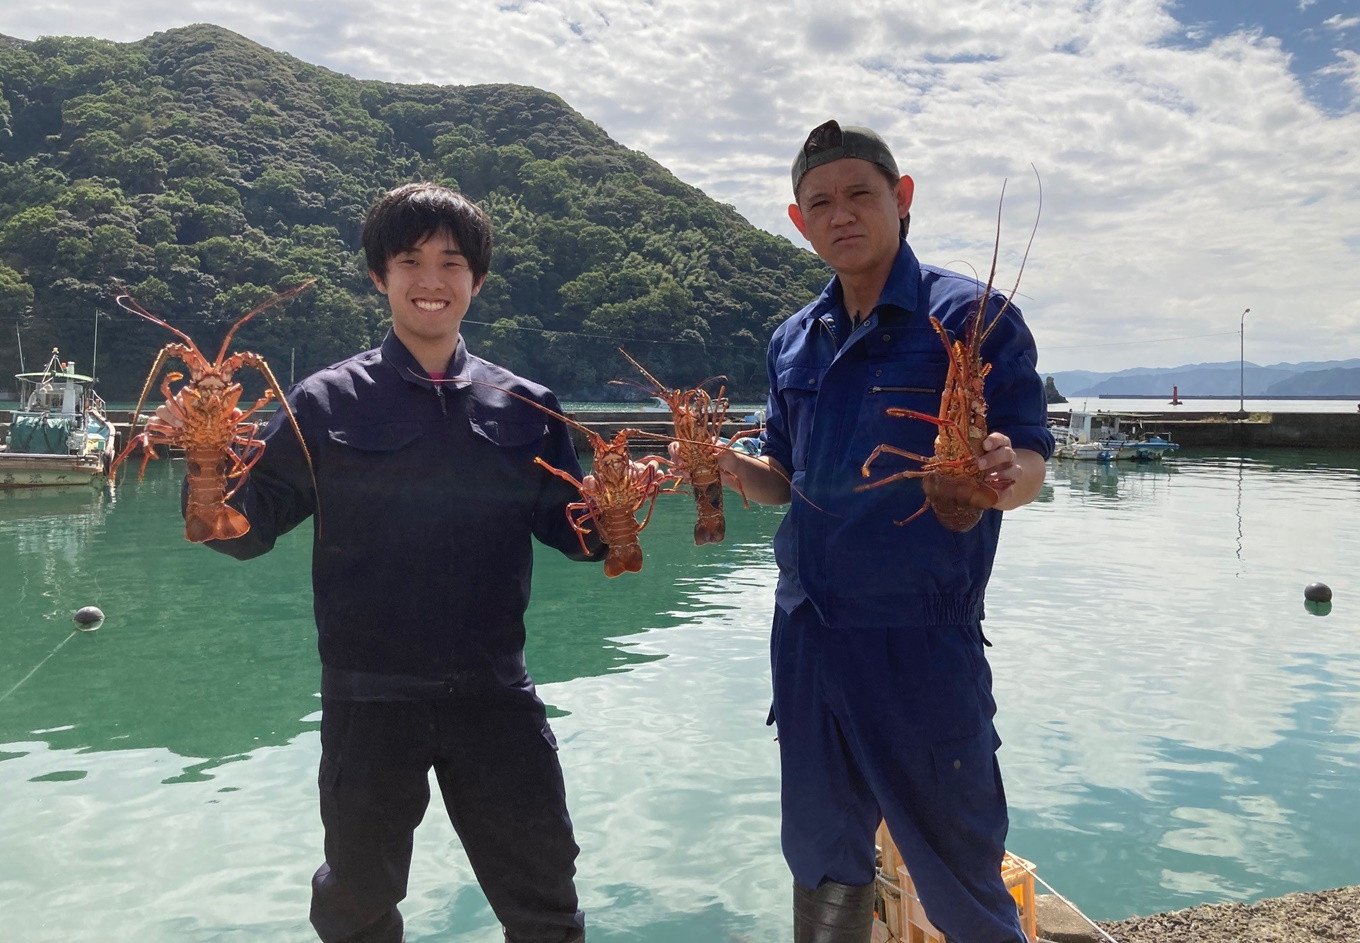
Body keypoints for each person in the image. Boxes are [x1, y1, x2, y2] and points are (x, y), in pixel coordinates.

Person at [190, 183, 602, 943]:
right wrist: (205, 469)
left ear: (477, 278)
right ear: (380, 276)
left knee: (546, 897)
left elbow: (578, 535)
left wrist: (616, 511)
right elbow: (247, 528)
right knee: (357, 903)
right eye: (410, 260)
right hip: (369, 700)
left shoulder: (529, 408)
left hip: (495, 694)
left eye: (451, 261)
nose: (432, 280)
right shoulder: (323, 402)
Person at [714, 121, 1054, 942]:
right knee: (823, 854)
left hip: (920, 639)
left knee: (958, 863)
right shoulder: (792, 338)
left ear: (901, 199)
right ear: (798, 222)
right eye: (820, 202)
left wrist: (1004, 472)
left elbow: (1031, 461)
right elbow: (783, 482)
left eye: (860, 193)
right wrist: (728, 464)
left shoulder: (974, 316)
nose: (842, 215)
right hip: (806, 639)